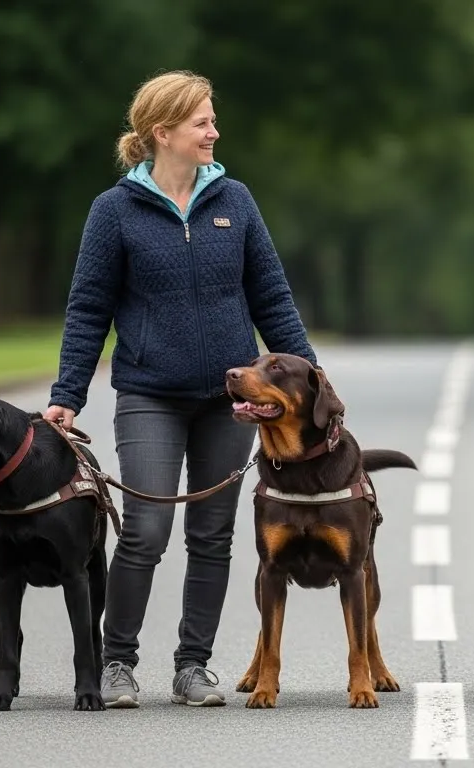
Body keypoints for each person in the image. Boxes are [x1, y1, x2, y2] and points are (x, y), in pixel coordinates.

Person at [44, 70, 317, 708]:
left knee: (213, 534)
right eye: (202, 122)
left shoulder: (235, 201)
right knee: (145, 529)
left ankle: (193, 666)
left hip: (232, 402)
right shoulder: (113, 212)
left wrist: (312, 382)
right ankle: (117, 663)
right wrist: (67, 394)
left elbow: (272, 298)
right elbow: (88, 309)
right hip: (149, 394)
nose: (214, 131)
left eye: (213, 120)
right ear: (161, 132)